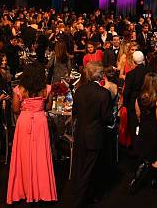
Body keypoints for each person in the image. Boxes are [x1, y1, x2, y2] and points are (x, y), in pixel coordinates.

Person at [7, 65, 57, 204]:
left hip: (24, 121)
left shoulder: (19, 89)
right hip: (40, 122)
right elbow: (48, 107)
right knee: (41, 154)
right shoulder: (47, 89)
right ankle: (42, 190)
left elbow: (16, 109)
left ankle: (23, 189)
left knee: (23, 155)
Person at [71, 62, 113, 207]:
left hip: (80, 134)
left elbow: (74, 112)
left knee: (81, 167)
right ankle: (79, 201)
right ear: (100, 75)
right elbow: (107, 118)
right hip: (94, 136)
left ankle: (90, 195)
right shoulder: (104, 93)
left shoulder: (79, 91)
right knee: (89, 170)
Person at [129, 72, 157, 194]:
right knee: (155, 157)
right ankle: (153, 181)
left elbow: (138, 114)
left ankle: (134, 181)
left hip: (143, 129)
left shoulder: (139, 97)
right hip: (153, 131)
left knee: (144, 156)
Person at [122, 51, 148, 145]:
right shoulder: (149, 71)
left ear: (133, 61)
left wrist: (125, 104)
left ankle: (136, 148)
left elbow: (127, 91)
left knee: (134, 126)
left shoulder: (131, 74)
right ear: (143, 59)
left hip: (133, 102)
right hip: (147, 100)